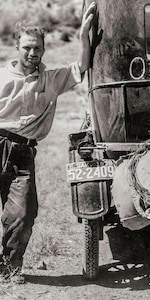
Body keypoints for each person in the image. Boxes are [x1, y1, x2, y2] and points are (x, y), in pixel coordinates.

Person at [0, 2, 97, 283]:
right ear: (17, 47)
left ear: (44, 49)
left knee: (23, 214)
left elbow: (82, 66)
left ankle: (8, 269)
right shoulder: (2, 76)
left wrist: (83, 36)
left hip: (23, 155)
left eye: (38, 48)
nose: (32, 53)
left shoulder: (51, 80)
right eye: (27, 47)